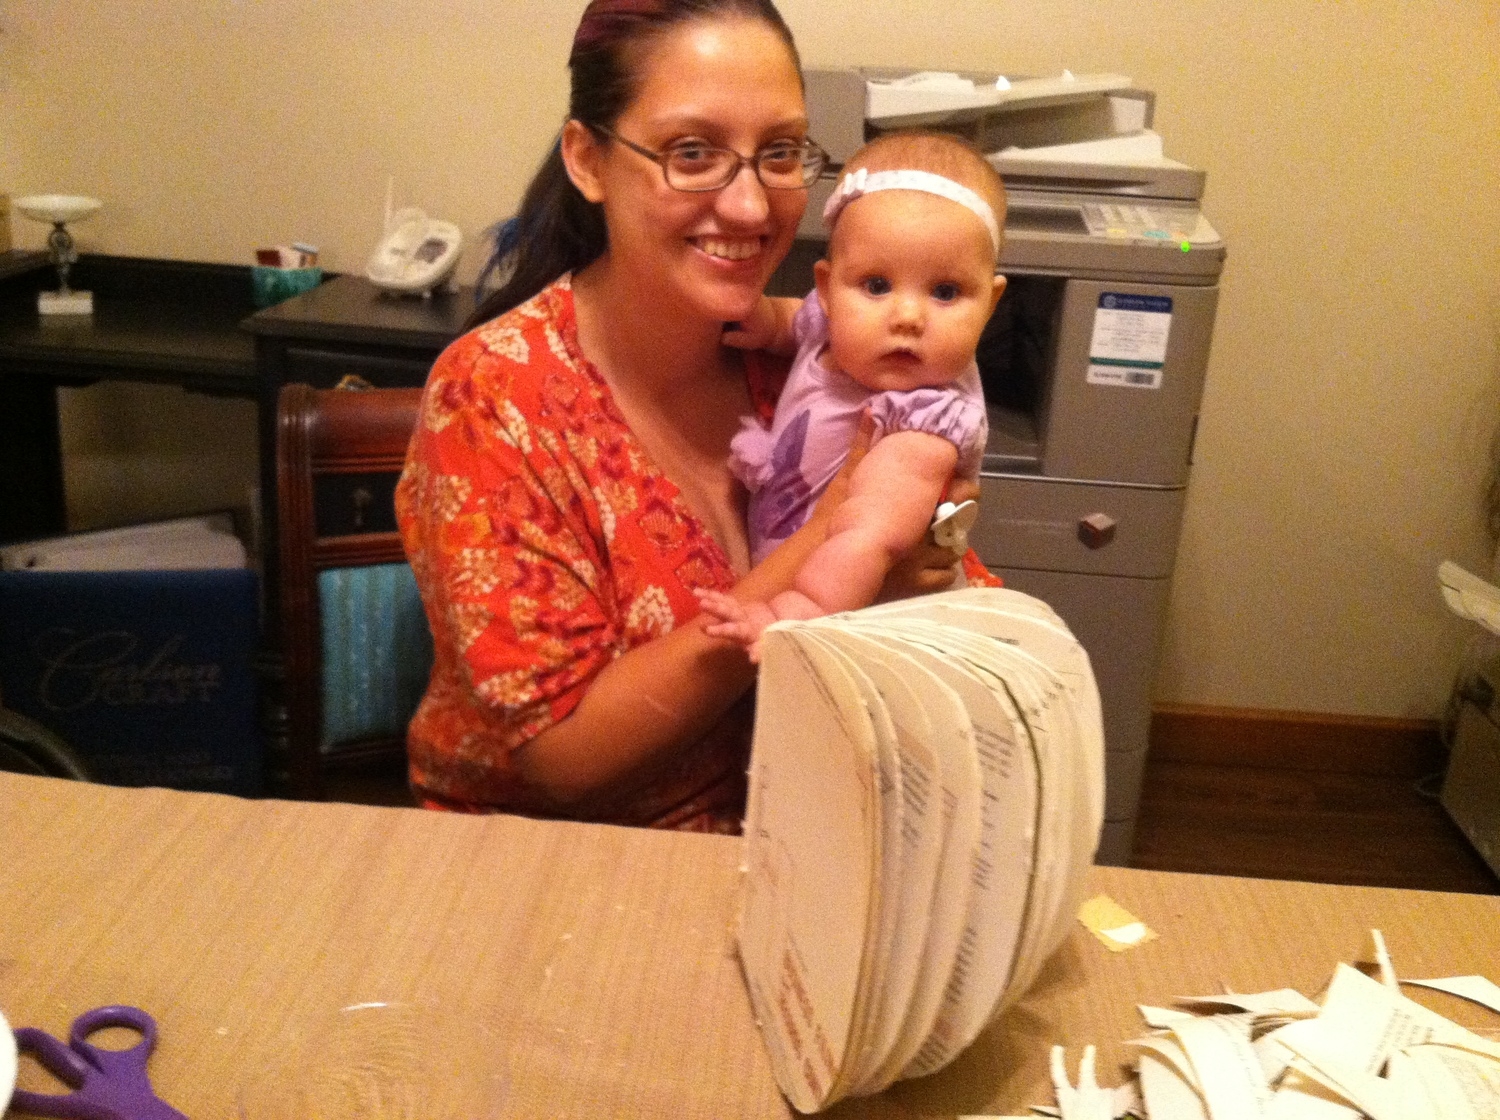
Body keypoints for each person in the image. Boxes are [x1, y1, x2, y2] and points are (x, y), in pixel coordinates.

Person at [395, 0, 990, 832]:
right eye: (693, 153)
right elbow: (562, 763)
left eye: (780, 152)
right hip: (554, 865)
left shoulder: (812, 359)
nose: (752, 208)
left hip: (797, 835)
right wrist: (828, 537)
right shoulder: (497, 399)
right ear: (587, 159)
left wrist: (936, 539)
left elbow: (942, 555)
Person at [696, 132, 1006, 656]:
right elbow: (800, 319)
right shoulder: (833, 323)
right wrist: (769, 320)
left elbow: (869, 538)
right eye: (877, 286)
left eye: (946, 292)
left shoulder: (923, 425)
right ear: (827, 286)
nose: (907, 317)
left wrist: (790, 616)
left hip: (855, 628)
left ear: (991, 303)